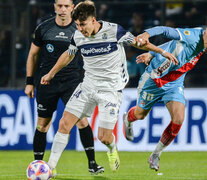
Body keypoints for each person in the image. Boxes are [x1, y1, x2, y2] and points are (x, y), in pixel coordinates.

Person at [40, 0, 177, 173]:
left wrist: (162, 52)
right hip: (87, 86)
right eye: (77, 25)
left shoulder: (114, 30)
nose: (80, 29)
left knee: (104, 137)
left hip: (111, 91)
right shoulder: (78, 36)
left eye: (83, 24)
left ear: (93, 20)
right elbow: (69, 54)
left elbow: (138, 43)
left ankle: (112, 149)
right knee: (64, 124)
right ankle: (50, 168)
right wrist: (51, 73)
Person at [24, 0, 104, 175]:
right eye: (59, 6)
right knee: (43, 125)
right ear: (54, 6)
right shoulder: (43, 29)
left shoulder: (80, 29)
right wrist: (29, 81)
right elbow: (33, 54)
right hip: (47, 82)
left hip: (72, 82)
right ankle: (38, 165)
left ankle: (93, 164)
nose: (63, 10)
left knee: (82, 121)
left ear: (72, 7)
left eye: (67, 6)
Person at [123, 26, 207, 171]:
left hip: (174, 83)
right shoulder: (192, 35)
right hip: (153, 80)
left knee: (178, 119)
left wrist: (150, 53)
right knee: (140, 115)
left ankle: (156, 154)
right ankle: (128, 119)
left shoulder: (203, 44)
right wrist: (147, 36)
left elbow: (173, 44)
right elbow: (166, 30)